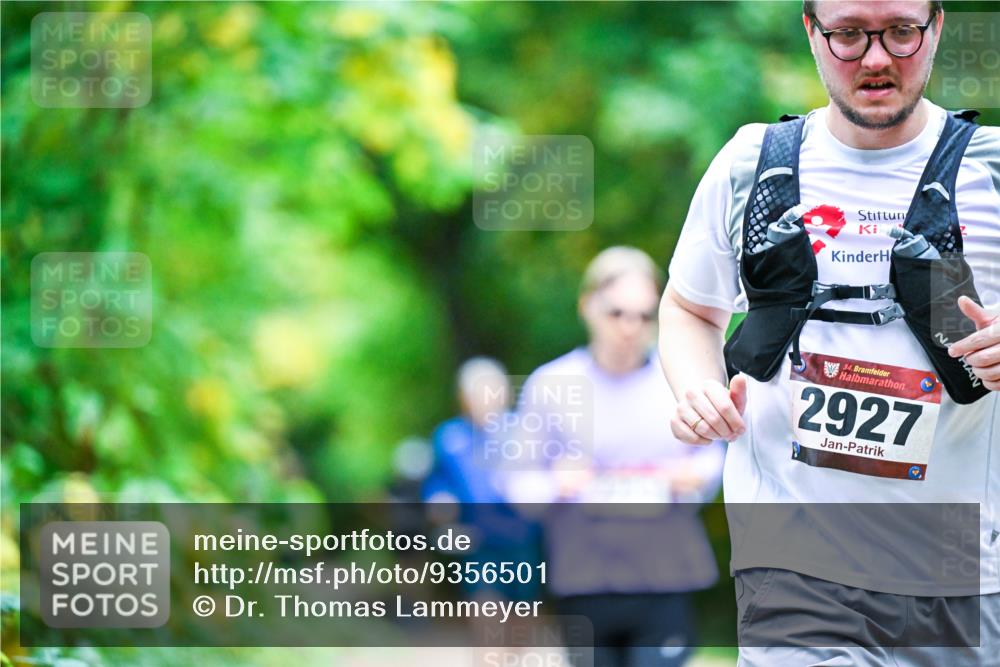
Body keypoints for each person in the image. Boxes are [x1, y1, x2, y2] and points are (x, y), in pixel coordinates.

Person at [659, 1, 1000, 665]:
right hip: (791, 557)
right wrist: (697, 389)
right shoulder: (752, 163)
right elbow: (689, 308)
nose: (876, 58)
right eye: (848, 34)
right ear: (812, 32)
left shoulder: (991, 168)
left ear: (937, 27)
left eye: (900, 31)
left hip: (958, 565)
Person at [508, 246, 725, 667]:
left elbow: (714, 460)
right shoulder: (550, 385)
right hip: (584, 578)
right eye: (616, 313)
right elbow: (519, 486)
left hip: (666, 575)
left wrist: (694, 477)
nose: (630, 327)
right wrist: (557, 484)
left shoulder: (680, 382)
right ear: (586, 306)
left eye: (643, 315)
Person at [422, 357, 543, 658]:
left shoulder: (523, 432)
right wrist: (438, 499)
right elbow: (436, 481)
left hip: (521, 537)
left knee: (521, 618)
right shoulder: (449, 437)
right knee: (485, 612)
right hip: (476, 539)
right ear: (463, 398)